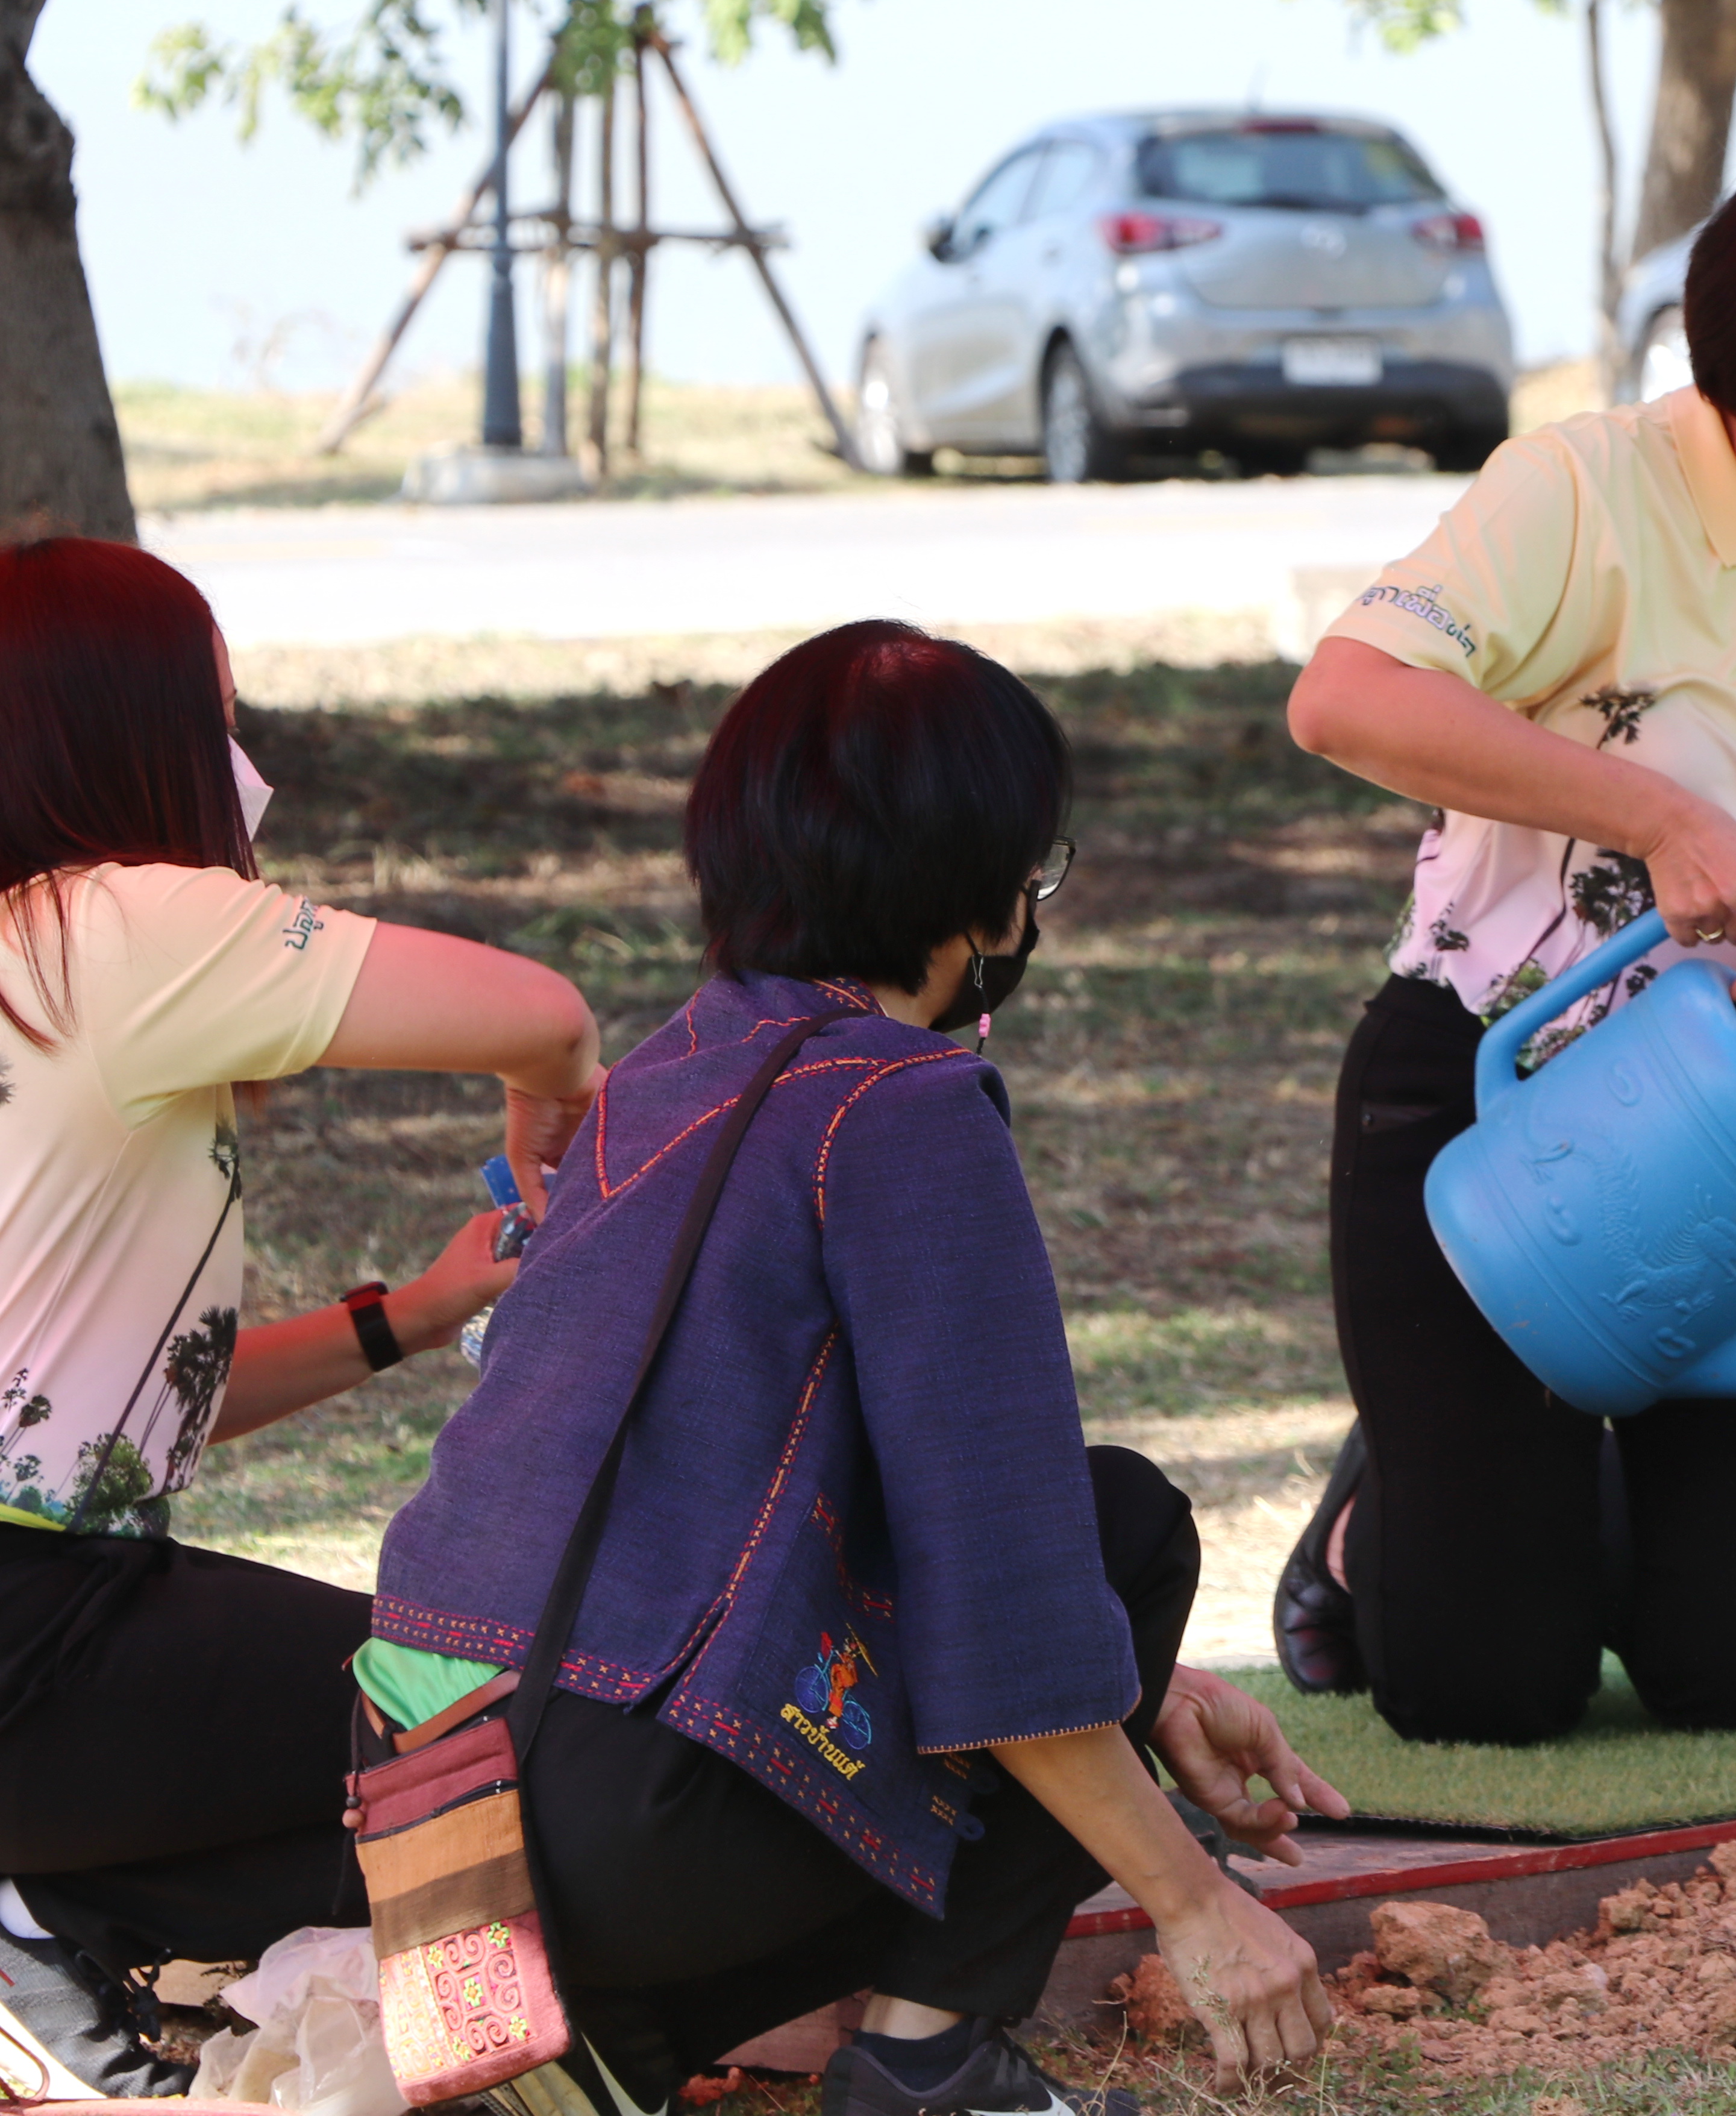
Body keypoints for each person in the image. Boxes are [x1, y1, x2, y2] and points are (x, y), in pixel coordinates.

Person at [366, 622, 1340, 2116]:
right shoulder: (907, 1106)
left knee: (1072, 1598)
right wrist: (1195, 1902)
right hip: (638, 1819)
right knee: (1120, 1528)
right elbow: (1006, 1580)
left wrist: (1147, 1692)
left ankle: (599, 2033)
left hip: (424, 1789)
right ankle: (928, 2059)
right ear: (979, 892)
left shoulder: (663, 1066)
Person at [1275, 114, 1736, 1745]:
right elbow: (1343, 698)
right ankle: (1384, 1512)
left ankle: (1542, 1491)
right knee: (1483, 1694)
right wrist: (1660, 819)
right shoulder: (1585, 488)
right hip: (1491, 1095)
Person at [0, 538, 602, 2096]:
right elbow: (542, 1011)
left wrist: (408, 1317)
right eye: (219, 714)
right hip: (41, 1640)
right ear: (123, 732)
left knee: (390, 1738)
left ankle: (78, 1947)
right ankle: (490, 2059)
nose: (241, 760)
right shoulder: (117, 930)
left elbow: (116, 1421)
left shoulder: (23, 966)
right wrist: (553, 1103)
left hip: (59, 1612)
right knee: (476, 1706)